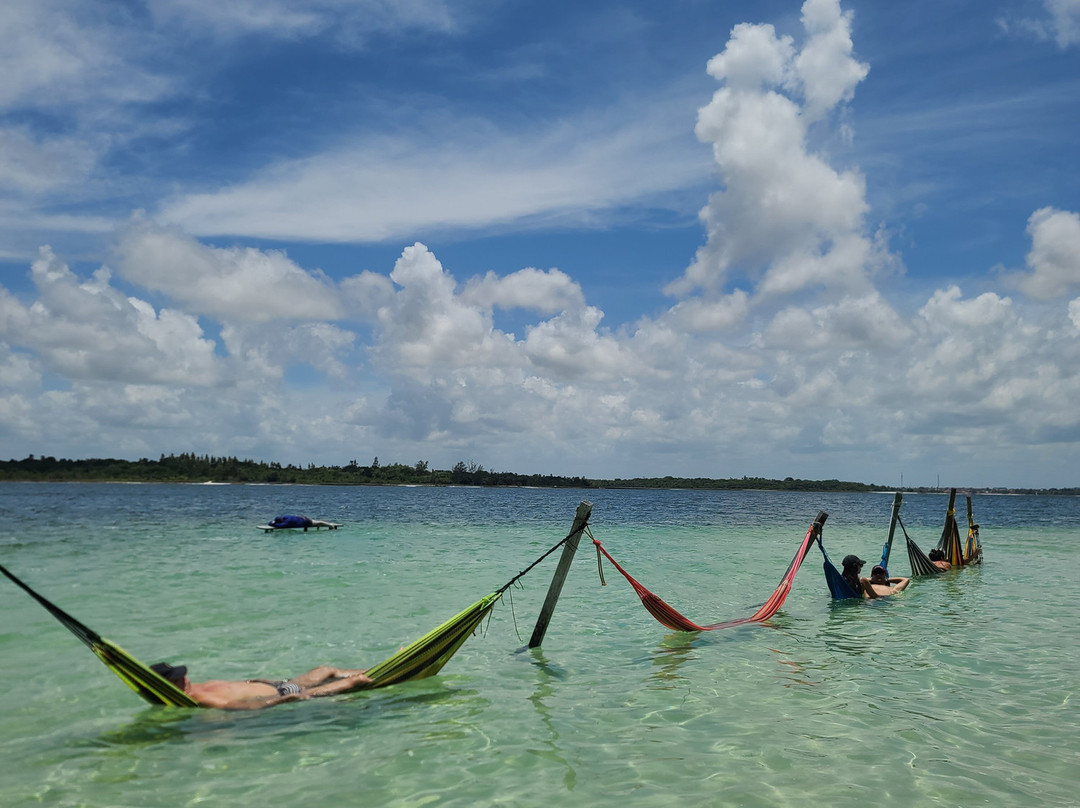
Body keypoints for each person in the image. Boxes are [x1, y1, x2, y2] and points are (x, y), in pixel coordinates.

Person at [150, 662, 374, 710]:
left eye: (183, 675)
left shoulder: (194, 686)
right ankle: (362, 680)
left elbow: (235, 687)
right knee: (347, 683)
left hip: (280, 685)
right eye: (179, 679)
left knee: (325, 669)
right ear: (168, 685)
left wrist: (257, 681)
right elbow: (241, 706)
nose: (185, 678)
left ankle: (376, 668)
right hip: (283, 694)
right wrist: (282, 701)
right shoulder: (199, 699)